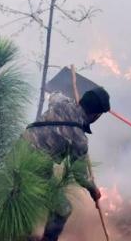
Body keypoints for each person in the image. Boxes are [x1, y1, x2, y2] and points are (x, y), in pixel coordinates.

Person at [22, 87, 110, 241]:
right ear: (96, 115)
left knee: (24, 203)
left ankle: (23, 234)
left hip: (17, 153)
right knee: (63, 209)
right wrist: (93, 190)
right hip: (36, 170)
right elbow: (80, 175)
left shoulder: (62, 102)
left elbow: (54, 95)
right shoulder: (79, 138)